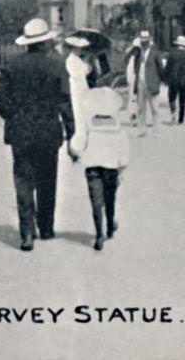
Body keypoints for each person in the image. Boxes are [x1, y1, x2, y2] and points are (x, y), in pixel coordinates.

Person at [0, 18, 75, 251]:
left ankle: (27, 232)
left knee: (24, 181)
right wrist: (72, 132)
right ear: (45, 42)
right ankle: (46, 228)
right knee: (48, 180)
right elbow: (65, 102)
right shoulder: (57, 65)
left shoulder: (12, 65)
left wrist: (13, 116)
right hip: (48, 131)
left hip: (21, 132)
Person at [67, 68, 131, 250]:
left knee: (95, 201)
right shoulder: (117, 125)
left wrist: (74, 153)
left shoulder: (89, 124)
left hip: (92, 166)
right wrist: (122, 165)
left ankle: (98, 234)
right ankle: (110, 225)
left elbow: (78, 143)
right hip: (111, 167)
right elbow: (124, 148)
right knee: (110, 199)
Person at [129, 31, 163, 136]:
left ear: (149, 41)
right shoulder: (138, 54)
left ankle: (156, 130)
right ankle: (142, 130)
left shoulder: (155, 53)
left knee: (155, 109)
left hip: (151, 83)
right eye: (142, 41)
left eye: (146, 41)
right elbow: (135, 68)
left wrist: (158, 82)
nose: (144, 43)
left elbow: (160, 69)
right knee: (140, 109)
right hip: (140, 83)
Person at [164, 36, 185, 124]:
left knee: (172, 97)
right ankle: (181, 119)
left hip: (174, 80)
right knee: (183, 100)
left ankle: (173, 112)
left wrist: (165, 78)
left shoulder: (172, 54)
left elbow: (168, 68)